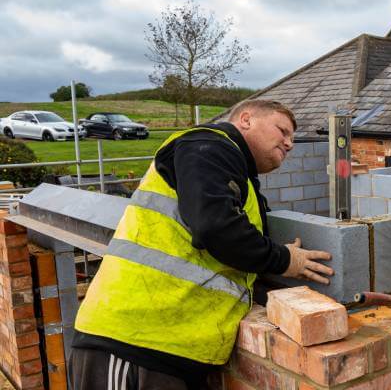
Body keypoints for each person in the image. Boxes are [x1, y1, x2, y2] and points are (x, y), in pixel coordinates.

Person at [69, 99, 334, 389]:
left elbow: (228, 237)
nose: (290, 143)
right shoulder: (207, 145)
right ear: (245, 119)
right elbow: (217, 228)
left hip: (170, 349)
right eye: (282, 130)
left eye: (292, 138)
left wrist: (275, 253)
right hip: (130, 342)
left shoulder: (233, 172)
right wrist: (285, 260)